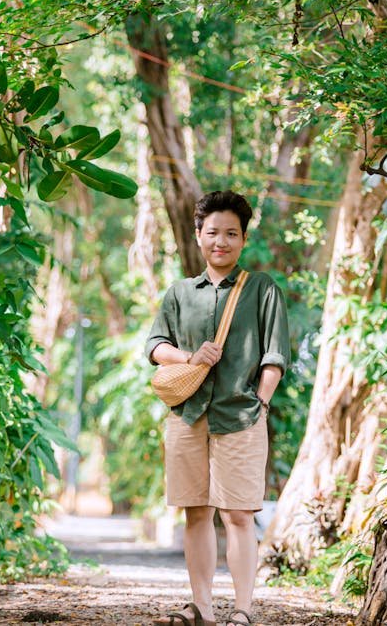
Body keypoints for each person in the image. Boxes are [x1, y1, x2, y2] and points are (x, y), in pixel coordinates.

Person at [146, 190, 290, 626]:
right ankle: (203, 609)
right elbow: (155, 346)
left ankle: (243, 611)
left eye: (231, 233)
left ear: (243, 239)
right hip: (188, 415)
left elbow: (274, 355)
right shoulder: (179, 293)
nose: (221, 242)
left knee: (238, 515)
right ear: (198, 236)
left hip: (241, 416)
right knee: (196, 513)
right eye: (212, 233)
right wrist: (189, 357)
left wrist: (260, 402)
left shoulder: (261, 289)